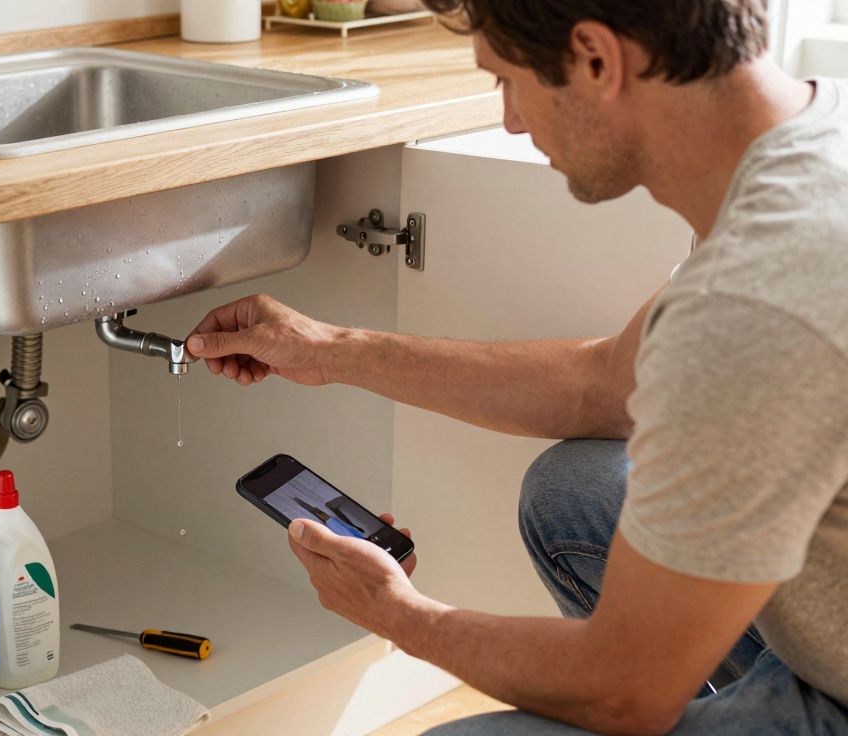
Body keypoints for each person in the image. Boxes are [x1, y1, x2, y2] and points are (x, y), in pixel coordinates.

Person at [184, 1, 848, 733]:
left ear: (597, 59)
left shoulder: (758, 294)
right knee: (576, 491)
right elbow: (607, 385)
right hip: (823, 628)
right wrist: (329, 350)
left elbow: (624, 689)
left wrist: (401, 617)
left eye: (506, 80)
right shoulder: (810, 143)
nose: (510, 120)